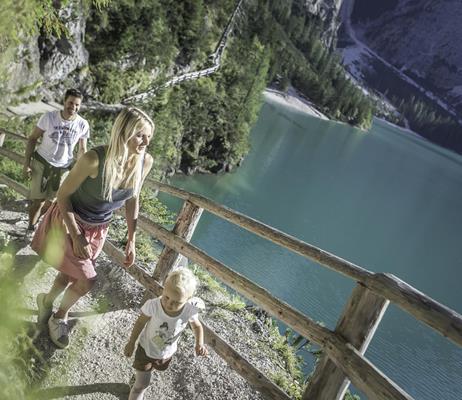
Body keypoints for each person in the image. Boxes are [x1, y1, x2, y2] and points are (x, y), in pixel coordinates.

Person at [31, 107, 154, 349]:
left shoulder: (144, 161)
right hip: (70, 222)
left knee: (70, 274)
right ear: (124, 133)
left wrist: (132, 239)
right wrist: (76, 236)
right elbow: (63, 195)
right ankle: (59, 317)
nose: (146, 142)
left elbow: (132, 199)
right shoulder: (93, 160)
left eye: (149, 136)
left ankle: (45, 301)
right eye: (140, 135)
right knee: (88, 280)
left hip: (98, 229)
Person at [124, 268, 208, 400]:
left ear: (188, 299)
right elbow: (140, 323)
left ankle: (138, 378)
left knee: (152, 371)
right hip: (145, 350)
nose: (169, 304)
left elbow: (197, 326)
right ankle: (137, 386)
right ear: (163, 289)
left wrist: (199, 344)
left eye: (177, 302)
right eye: (166, 297)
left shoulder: (189, 310)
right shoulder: (153, 306)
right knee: (142, 385)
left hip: (166, 353)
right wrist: (131, 342)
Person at [23, 88, 90, 231]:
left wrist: (81, 172)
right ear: (64, 102)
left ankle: (39, 224)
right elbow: (33, 138)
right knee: (38, 200)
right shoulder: (49, 117)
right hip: (42, 162)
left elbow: (82, 149)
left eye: (77, 104)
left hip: (64, 167)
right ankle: (30, 226)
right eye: (71, 103)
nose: (73, 107)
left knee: (53, 201)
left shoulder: (82, 124)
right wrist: (26, 164)